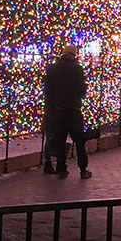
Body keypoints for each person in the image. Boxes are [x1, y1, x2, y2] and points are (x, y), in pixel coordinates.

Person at [44, 45, 92, 179]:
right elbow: (82, 91)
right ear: (74, 55)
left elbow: (48, 91)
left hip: (58, 110)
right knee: (80, 141)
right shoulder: (77, 69)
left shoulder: (53, 69)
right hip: (74, 110)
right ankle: (83, 169)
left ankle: (61, 169)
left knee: (60, 140)